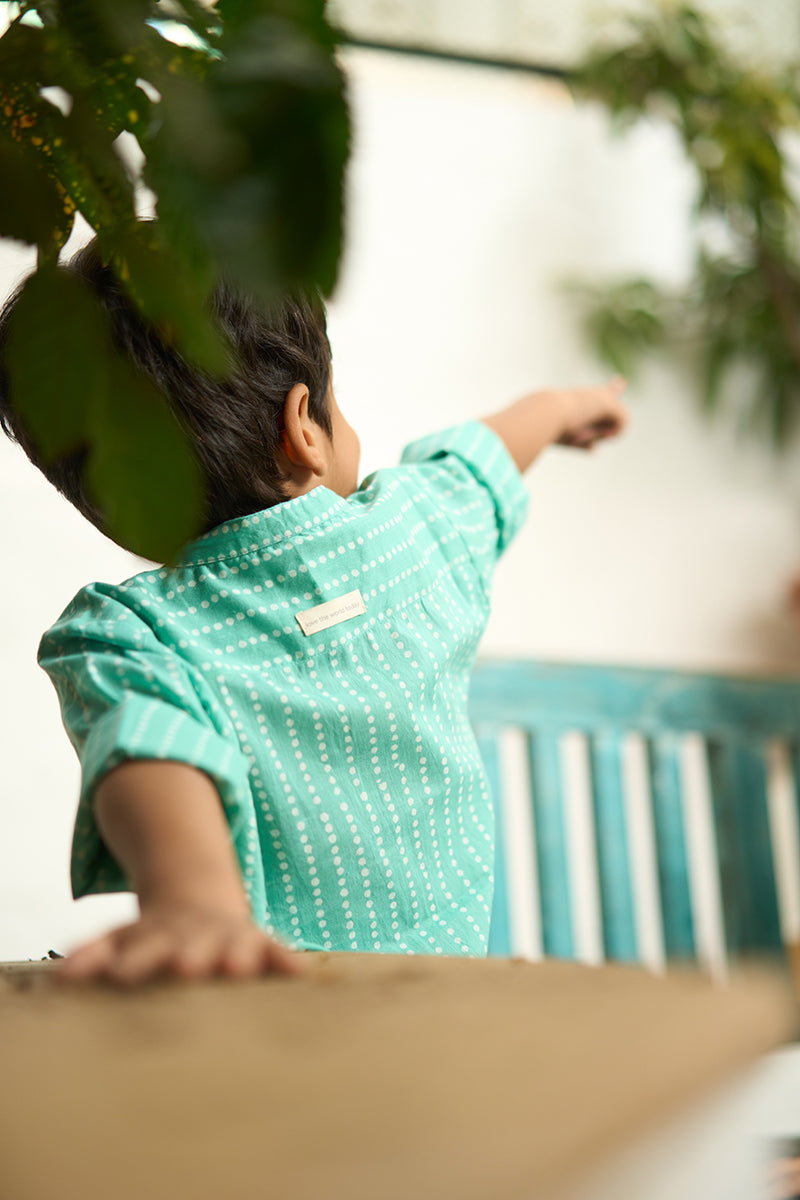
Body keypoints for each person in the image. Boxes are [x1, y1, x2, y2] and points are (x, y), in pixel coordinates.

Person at [0, 236, 628, 984]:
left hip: (276, 1017)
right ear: (304, 428)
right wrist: (566, 407)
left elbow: (148, 743)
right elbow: (480, 457)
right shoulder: (414, 534)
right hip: (447, 1004)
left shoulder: (130, 634)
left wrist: (194, 902)